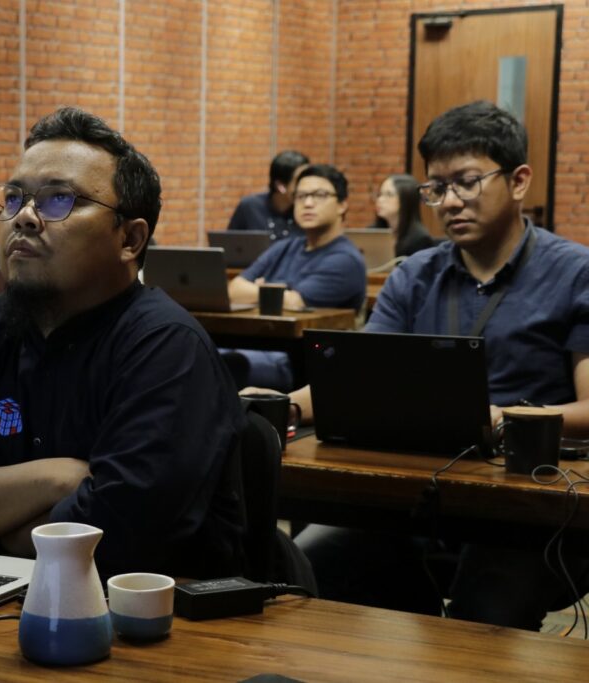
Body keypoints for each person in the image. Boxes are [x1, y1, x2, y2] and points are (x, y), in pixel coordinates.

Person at [0, 107, 244, 580]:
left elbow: (119, 540)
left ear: (130, 239)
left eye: (59, 200)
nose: (24, 218)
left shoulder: (166, 348)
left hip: (147, 611)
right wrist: (58, 479)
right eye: (14, 198)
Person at [287, 101, 589, 630]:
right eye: (436, 188)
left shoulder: (574, 273)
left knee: (484, 606)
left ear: (519, 181)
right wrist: (279, 405)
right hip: (419, 495)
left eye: (467, 183)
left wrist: (508, 417)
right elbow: (356, 381)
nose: (449, 202)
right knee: (304, 567)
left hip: (530, 508)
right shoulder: (414, 276)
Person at [224, 165, 366, 390]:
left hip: (301, 363)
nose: (308, 203)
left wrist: (262, 290)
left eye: (319, 195)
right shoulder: (284, 247)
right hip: (258, 344)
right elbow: (234, 289)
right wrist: (278, 291)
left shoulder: (345, 260)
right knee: (197, 351)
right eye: (301, 196)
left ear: (342, 204)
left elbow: (295, 302)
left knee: (224, 364)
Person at [226, 150, 310, 241]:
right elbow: (229, 244)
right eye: (299, 181)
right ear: (281, 186)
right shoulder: (250, 207)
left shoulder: (307, 209)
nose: (306, 187)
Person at [370, 173, 436, 257]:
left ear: (406, 199)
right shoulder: (372, 233)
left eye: (388, 194)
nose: (380, 200)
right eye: (380, 194)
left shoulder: (420, 240)